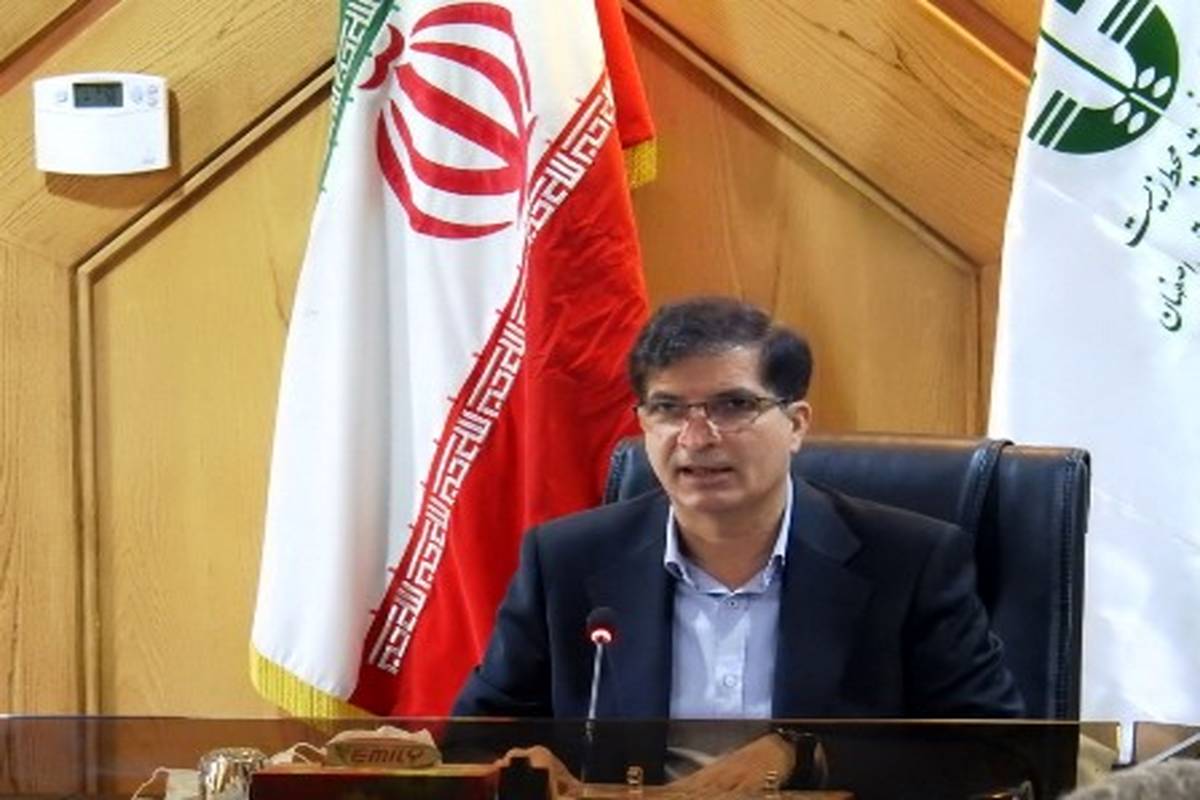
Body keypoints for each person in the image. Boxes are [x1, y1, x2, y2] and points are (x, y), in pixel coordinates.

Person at [453, 297, 1024, 793]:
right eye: (668, 409)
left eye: (733, 406)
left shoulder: (909, 560)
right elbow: (474, 739)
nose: (697, 437)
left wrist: (806, 757)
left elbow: (994, 753)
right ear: (643, 423)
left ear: (796, 424)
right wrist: (522, 763)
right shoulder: (567, 561)